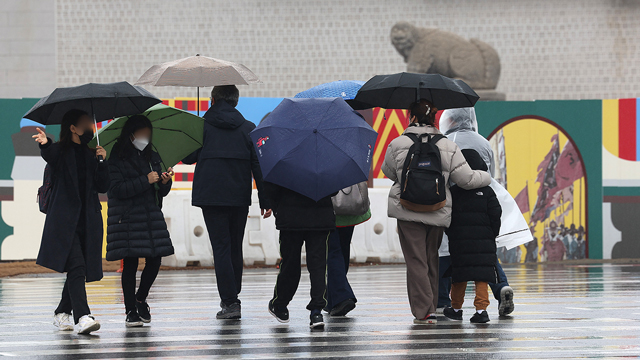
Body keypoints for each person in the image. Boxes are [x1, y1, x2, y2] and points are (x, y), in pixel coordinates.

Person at [381, 99, 491, 324]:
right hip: (437, 209)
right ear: (434, 118)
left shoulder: (398, 142)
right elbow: (466, 179)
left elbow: (389, 172)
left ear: (412, 117)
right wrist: (486, 177)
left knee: (416, 260)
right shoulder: (447, 145)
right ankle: (431, 305)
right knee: (431, 258)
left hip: (407, 208)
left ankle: (425, 310)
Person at [182, 85, 271, 319]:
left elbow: (188, 156)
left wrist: (192, 132)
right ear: (236, 101)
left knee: (221, 247)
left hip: (211, 197)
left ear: (212, 100)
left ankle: (230, 301)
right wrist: (265, 198)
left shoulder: (202, 127)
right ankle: (233, 293)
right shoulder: (248, 129)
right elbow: (257, 167)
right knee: (234, 246)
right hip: (238, 196)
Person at [32, 109, 109, 334]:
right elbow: (50, 154)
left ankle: (61, 312)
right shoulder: (60, 151)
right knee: (76, 265)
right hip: (65, 223)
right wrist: (46, 143)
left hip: (88, 221)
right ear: (73, 128)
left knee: (80, 269)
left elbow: (103, 187)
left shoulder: (91, 154)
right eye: (85, 124)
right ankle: (83, 316)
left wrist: (102, 161)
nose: (90, 128)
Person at [437, 107, 515, 317]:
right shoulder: (483, 143)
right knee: (485, 259)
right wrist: (492, 231)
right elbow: (490, 177)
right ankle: (498, 291)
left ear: (451, 120)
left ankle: (448, 302)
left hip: (456, 209)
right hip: (481, 213)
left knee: (452, 261)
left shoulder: (446, 142)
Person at [106, 115, 175, 327]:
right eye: (141, 133)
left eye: (148, 134)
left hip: (150, 215)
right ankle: (130, 310)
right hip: (127, 217)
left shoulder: (152, 156)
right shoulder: (116, 158)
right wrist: (144, 180)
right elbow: (116, 190)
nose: (145, 138)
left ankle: (140, 298)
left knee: (155, 259)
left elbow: (159, 191)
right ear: (131, 134)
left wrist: (164, 182)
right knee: (131, 264)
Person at [265, 183, 337, 329]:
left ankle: (280, 304)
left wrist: (277, 208)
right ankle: (316, 312)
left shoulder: (284, 161)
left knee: (290, 264)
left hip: (290, 216)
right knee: (318, 266)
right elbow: (333, 189)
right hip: (320, 217)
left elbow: (272, 188)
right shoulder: (325, 161)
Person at [443, 149, 501, 324]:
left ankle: (456, 308)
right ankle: (481, 310)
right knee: (482, 276)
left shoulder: (455, 192)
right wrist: (492, 234)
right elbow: (496, 214)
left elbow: (447, 217)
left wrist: (452, 234)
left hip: (460, 243)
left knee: (459, 276)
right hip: (484, 243)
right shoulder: (488, 191)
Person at [325, 183, 371, 316]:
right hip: (350, 206)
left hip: (330, 209)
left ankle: (342, 296)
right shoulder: (352, 161)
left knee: (333, 251)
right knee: (342, 250)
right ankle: (332, 299)